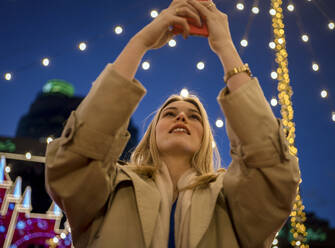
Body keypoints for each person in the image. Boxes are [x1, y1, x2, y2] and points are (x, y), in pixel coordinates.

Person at [45, 0, 301, 247]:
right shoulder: (111, 188)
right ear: (151, 133)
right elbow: (78, 153)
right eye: (169, 113)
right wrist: (140, 43)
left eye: (194, 116)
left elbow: (272, 163)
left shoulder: (232, 198)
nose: (181, 117)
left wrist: (225, 46)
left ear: (205, 137)